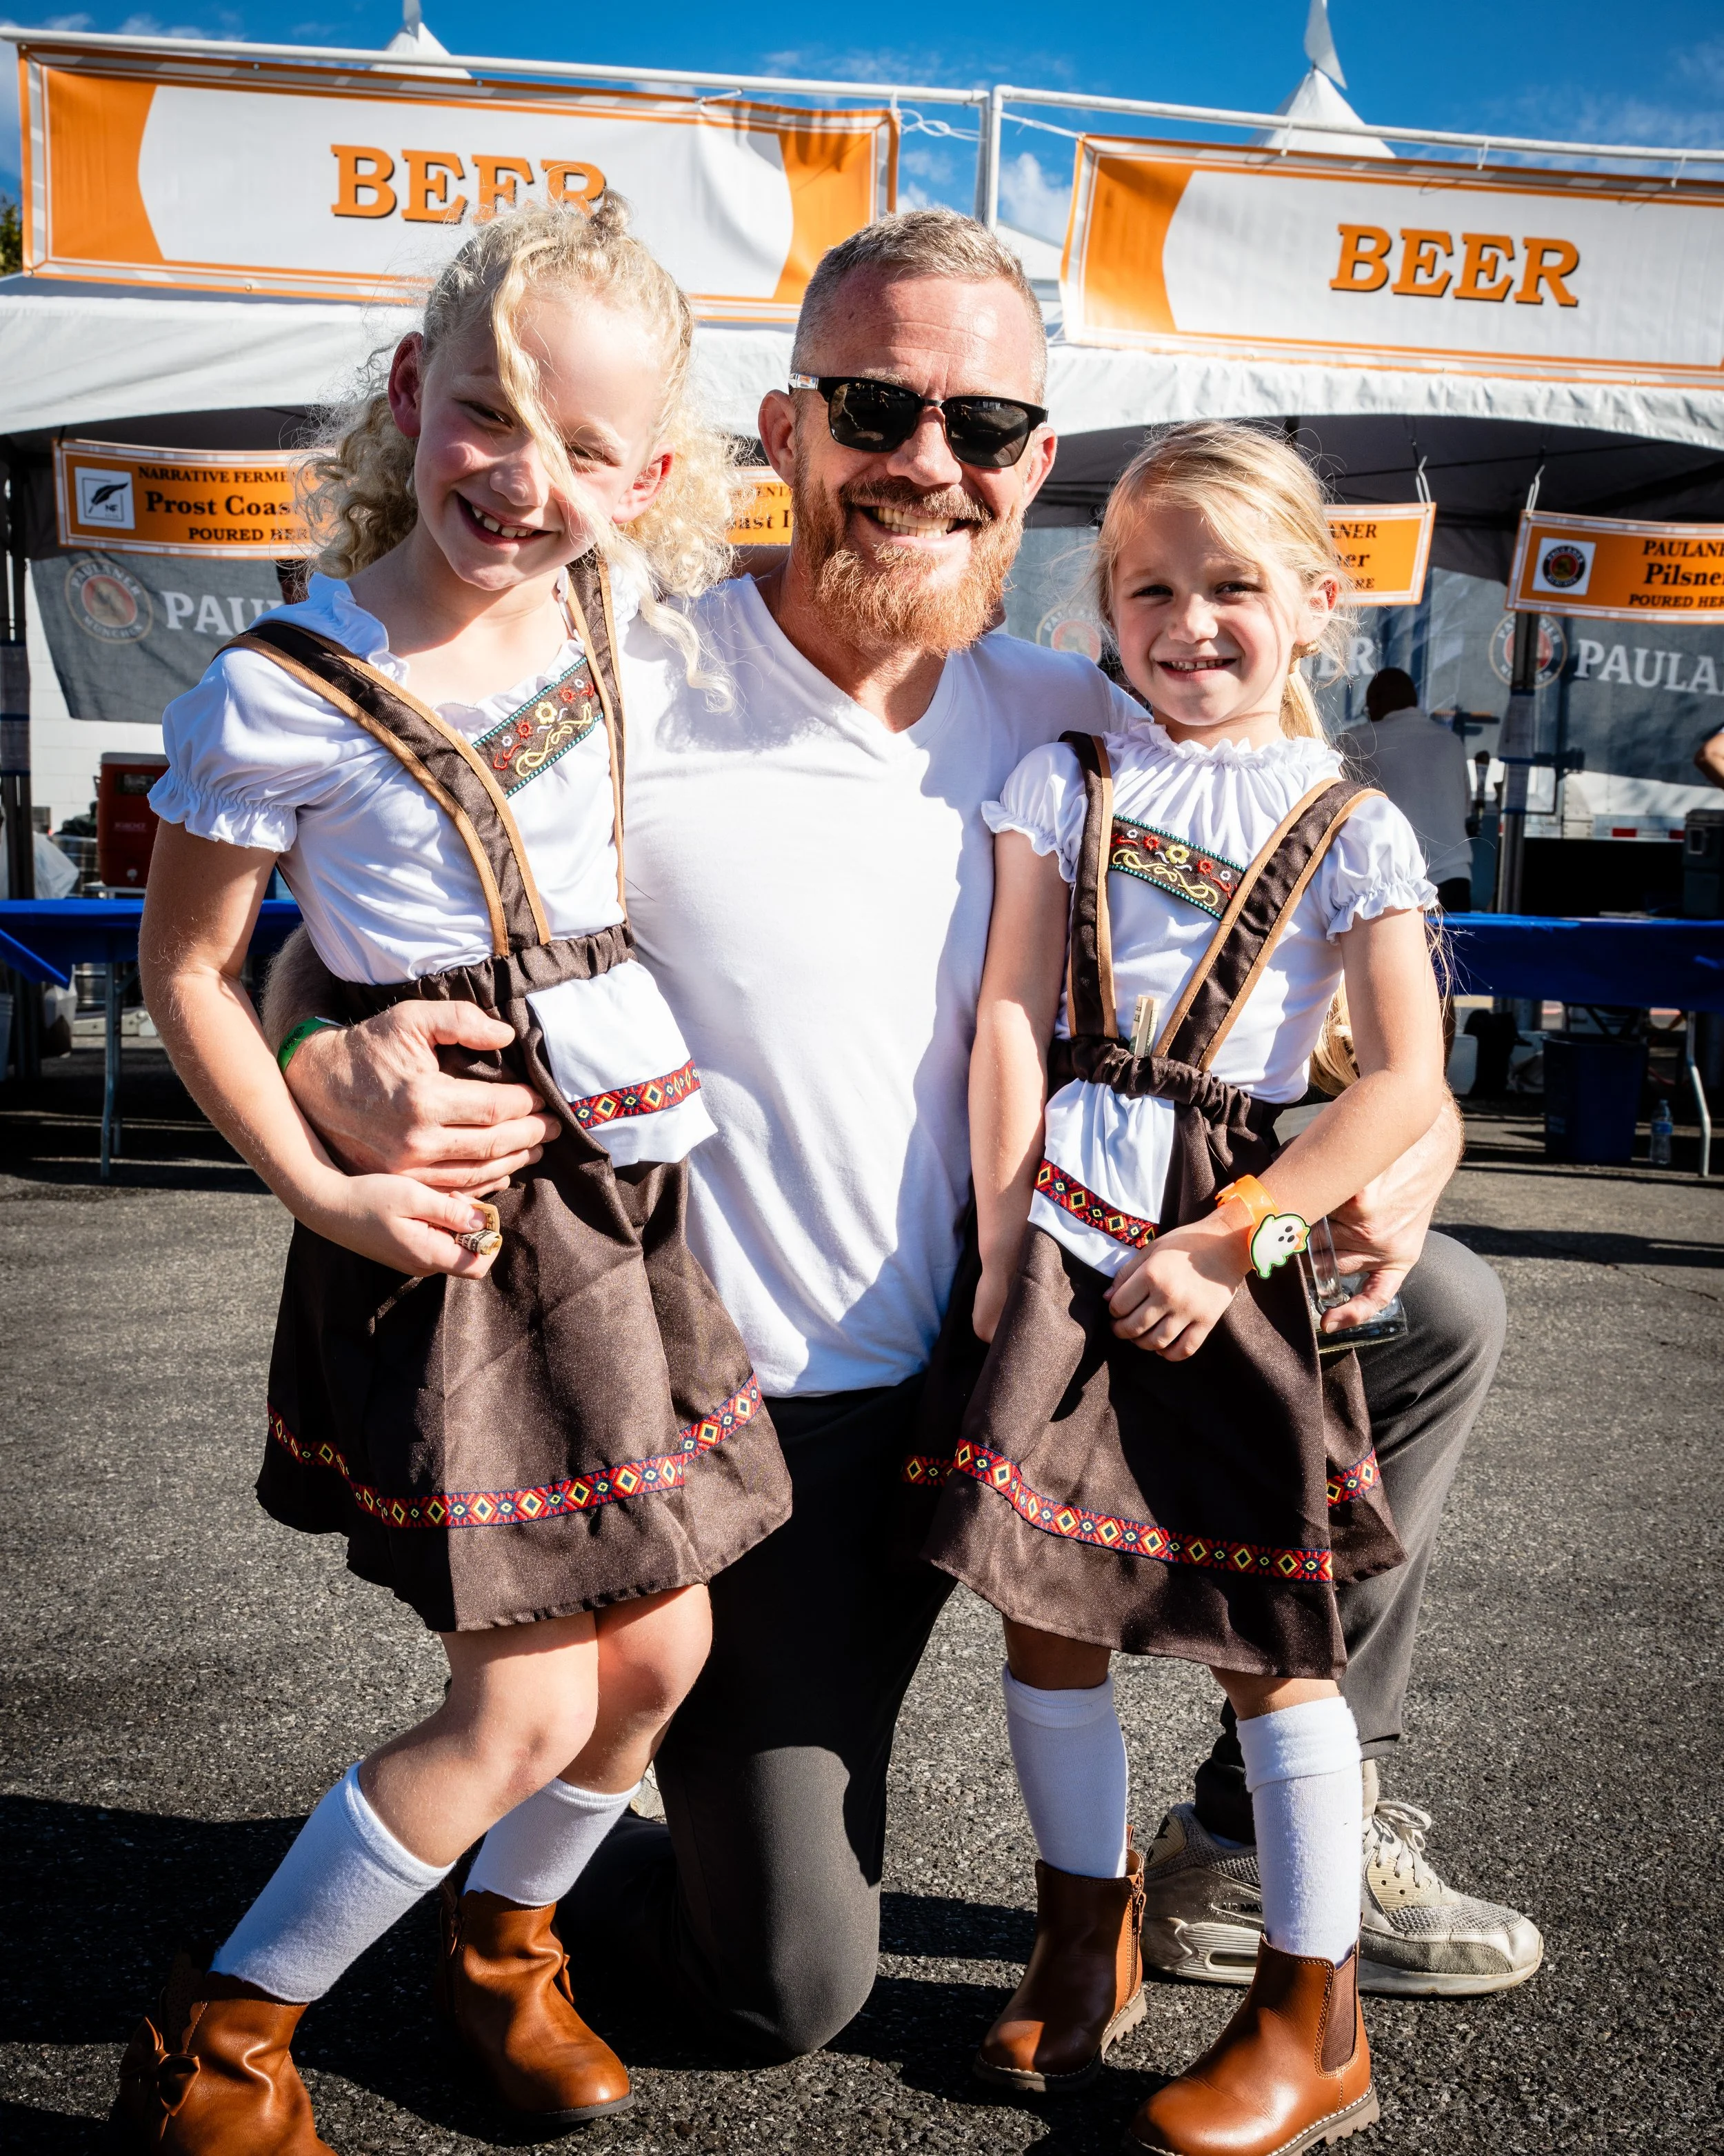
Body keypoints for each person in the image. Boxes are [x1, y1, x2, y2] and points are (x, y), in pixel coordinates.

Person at [272, 210, 1535, 2066]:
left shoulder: (1093, 715)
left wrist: (1399, 1151)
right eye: (875, 407)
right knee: (780, 1987)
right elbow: (339, 919)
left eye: (984, 424)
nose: (925, 462)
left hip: (1038, 1336)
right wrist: (325, 1040)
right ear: (785, 430)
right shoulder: (629, 673)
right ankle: (548, 1864)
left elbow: (1327, 973)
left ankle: (1253, 1831)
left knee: (1435, 1308)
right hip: (769, 1422)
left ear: (1035, 462)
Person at [119, 201, 789, 2153]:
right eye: (491, 416)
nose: (527, 476)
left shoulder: (609, 618)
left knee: (661, 1647)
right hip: (452, 1216)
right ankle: (224, 2026)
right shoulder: (276, 687)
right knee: (511, 1701)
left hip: (615, 1191)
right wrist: (323, 1184)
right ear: (412, 394)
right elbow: (185, 967)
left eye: (590, 450)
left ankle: (504, 1941)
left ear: (652, 475)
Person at [912, 423, 1443, 2152]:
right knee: (1044, 1603)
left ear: (1312, 600)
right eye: (1151, 587)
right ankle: (1085, 1927)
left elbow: (1401, 1088)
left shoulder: (1351, 821)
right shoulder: (1060, 776)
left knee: (1264, 1634)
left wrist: (1240, 1238)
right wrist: (1003, 1234)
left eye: (1232, 586)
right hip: (1064, 1228)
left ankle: (1314, 2006)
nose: (1189, 620)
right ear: (1104, 604)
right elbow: (1008, 1009)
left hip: (1231, 1244)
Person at [1341, 666, 1474, 912]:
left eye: (1368, 708)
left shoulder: (1355, 741)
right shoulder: (1452, 743)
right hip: (1454, 875)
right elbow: (1465, 812)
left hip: (1395, 883)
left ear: (1376, 701)